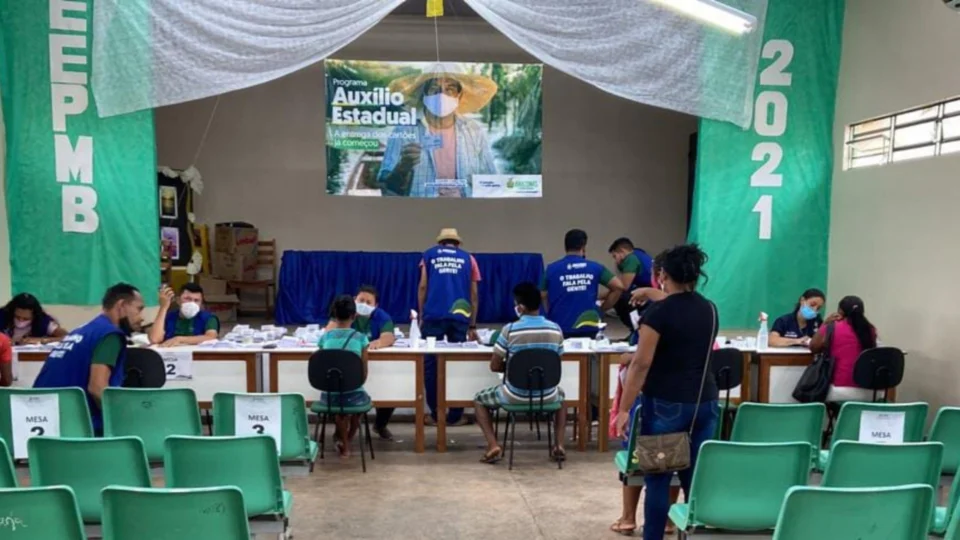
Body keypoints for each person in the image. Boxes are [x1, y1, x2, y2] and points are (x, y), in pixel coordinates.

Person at [614, 244, 719, 540]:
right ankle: (692, 531)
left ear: (662, 275)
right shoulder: (709, 308)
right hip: (704, 403)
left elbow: (641, 364)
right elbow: (680, 305)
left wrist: (624, 409)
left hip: (665, 406)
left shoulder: (658, 314)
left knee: (658, 478)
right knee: (694, 479)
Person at [473, 282, 567, 464]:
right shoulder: (555, 328)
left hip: (514, 395)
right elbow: (554, 362)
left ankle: (493, 445)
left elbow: (494, 365)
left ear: (520, 307)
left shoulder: (510, 329)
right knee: (561, 399)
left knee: (479, 399)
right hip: (546, 395)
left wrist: (513, 369)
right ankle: (559, 445)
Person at [33, 283, 145, 433]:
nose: (141, 318)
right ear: (122, 305)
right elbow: (97, 388)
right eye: (139, 309)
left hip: (40, 420)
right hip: (73, 425)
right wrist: (122, 423)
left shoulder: (81, 331)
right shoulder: (110, 335)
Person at [378, 64, 498, 197]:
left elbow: (491, 181)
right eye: (434, 88)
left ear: (459, 95)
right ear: (424, 93)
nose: (442, 95)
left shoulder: (474, 131)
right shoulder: (404, 130)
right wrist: (402, 167)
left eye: (450, 89)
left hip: (465, 212)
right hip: (420, 213)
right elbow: (386, 187)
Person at [419, 228, 481, 426]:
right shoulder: (469, 259)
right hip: (459, 317)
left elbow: (422, 286)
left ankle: (437, 415)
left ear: (440, 243)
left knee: (430, 365)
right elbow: (473, 294)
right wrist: (472, 324)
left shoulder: (428, 255)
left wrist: (421, 315)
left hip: (433, 316)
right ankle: (454, 415)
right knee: (456, 365)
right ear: (458, 244)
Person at [327, 285, 398, 440]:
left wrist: (377, 343)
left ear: (375, 306)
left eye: (368, 302)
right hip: (346, 365)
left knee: (390, 389)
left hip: (375, 363)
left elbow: (389, 337)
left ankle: (380, 425)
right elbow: (329, 332)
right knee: (336, 391)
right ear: (354, 300)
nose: (364, 304)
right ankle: (340, 431)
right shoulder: (344, 312)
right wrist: (351, 316)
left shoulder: (381, 316)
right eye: (361, 300)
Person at [542, 229, 625, 338]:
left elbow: (542, 295)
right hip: (589, 325)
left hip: (559, 327)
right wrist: (601, 309)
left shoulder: (551, 269)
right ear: (583, 247)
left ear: (565, 247)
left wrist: (550, 315)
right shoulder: (595, 267)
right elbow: (619, 287)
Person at [317, 295, 371, 458]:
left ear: (334, 315)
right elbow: (364, 371)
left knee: (339, 410)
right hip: (353, 393)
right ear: (354, 316)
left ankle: (345, 446)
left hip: (329, 397)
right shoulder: (361, 339)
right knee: (360, 404)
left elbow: (321, 364)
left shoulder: (325, 338)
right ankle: (348, 438)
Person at [810, 295, 878, 402]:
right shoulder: (871, 329)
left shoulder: (832, 327)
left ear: (840, 311)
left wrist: (825, 323)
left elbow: (814, 347)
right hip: (869, 389)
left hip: (840, 388)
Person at [148, 283, 220, 347]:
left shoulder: (208, 318)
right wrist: (163, 307)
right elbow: (155, 339)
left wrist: (180, 339)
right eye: (187, 299)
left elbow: (211, 337)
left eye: (196, 300)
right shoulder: (169, 317)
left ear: (201, 303)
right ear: (178, 300)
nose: (192, 303)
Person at [607, 238, 655, 329]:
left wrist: (600, 296)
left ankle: (636, 329)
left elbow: (624, 287)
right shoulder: (640, 254)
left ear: (622, 251)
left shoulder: (631, 259)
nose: (616, 261)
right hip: (654, 293)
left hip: (652, 297)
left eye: (615, 256)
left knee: (620, 298)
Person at [0, 293, 68, 345]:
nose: (21, 321)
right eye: (17, 317)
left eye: (26, 319)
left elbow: (67, 337)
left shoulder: (43, 321)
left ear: (34, 316)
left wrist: (42, 340)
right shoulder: (2, 315)